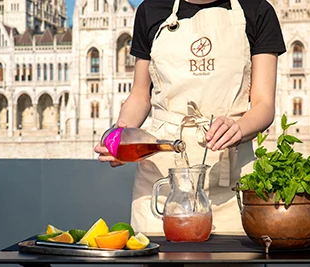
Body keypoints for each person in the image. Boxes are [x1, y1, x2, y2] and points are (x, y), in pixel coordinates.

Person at [95, 0, 286, 234]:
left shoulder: (257, 10)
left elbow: (264, 104)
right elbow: (140, 95)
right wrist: (121, 133)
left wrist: (238, 127)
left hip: (230, 182)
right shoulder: (151, 9)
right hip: (160, 183)